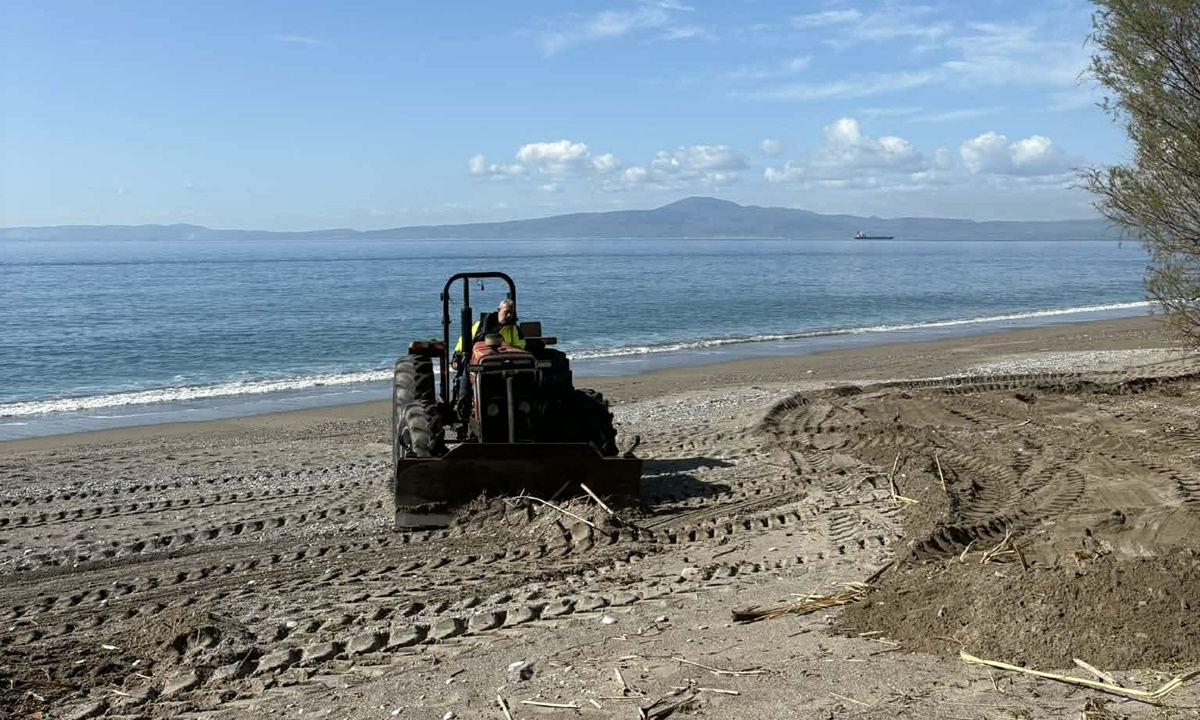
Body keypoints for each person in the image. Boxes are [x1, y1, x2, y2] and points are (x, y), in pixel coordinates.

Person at [453, 298, 525, 358]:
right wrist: (457, 355)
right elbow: (464, 340)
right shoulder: (481, 325)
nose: (509, 315)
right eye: (506, 312)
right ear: (499, 310)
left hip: (506, 360)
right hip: (483, 360)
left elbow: (520, 346)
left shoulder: (514, 329)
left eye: (511, 313)